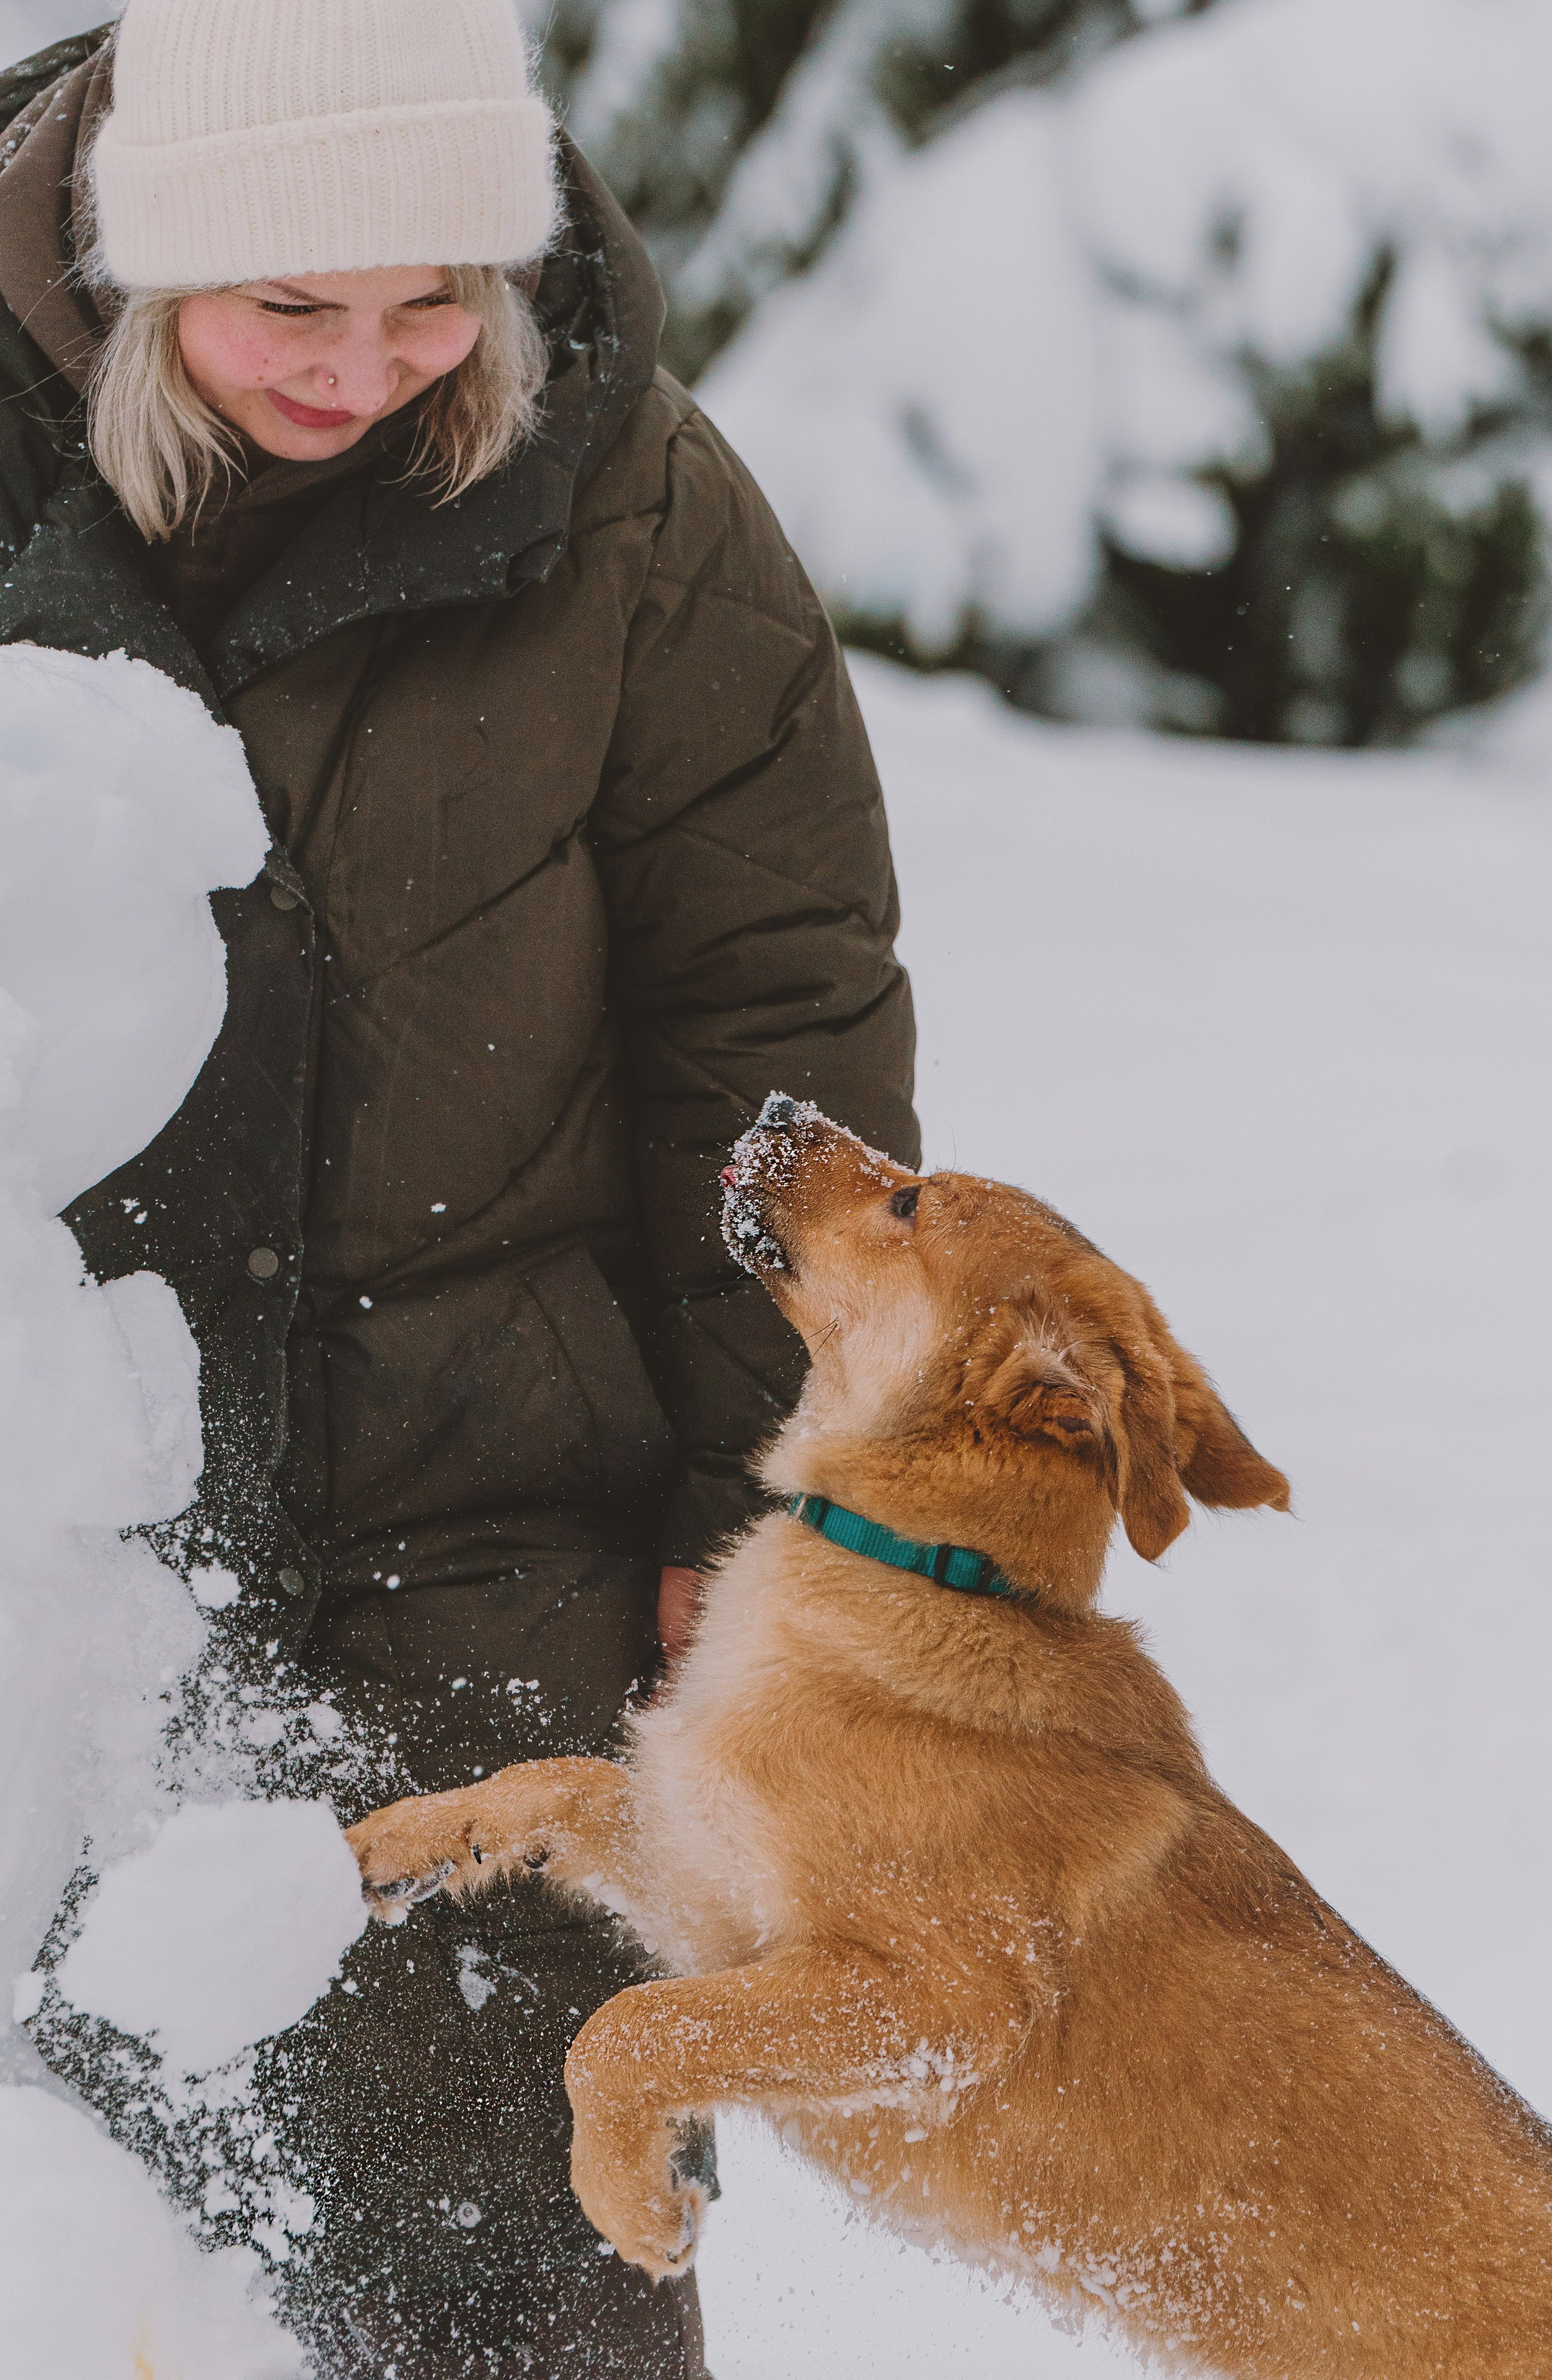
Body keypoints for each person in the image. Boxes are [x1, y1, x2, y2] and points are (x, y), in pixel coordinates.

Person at [0, 2, 918, 2372]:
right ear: (128, 253)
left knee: (522, 2263)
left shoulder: (631, 504)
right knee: (82, 2246)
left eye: (435, 300)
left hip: (494, 1525)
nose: (369, 368)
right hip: (47, 1529)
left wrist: (758, 1481)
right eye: (285, 302)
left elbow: (775, 1014)